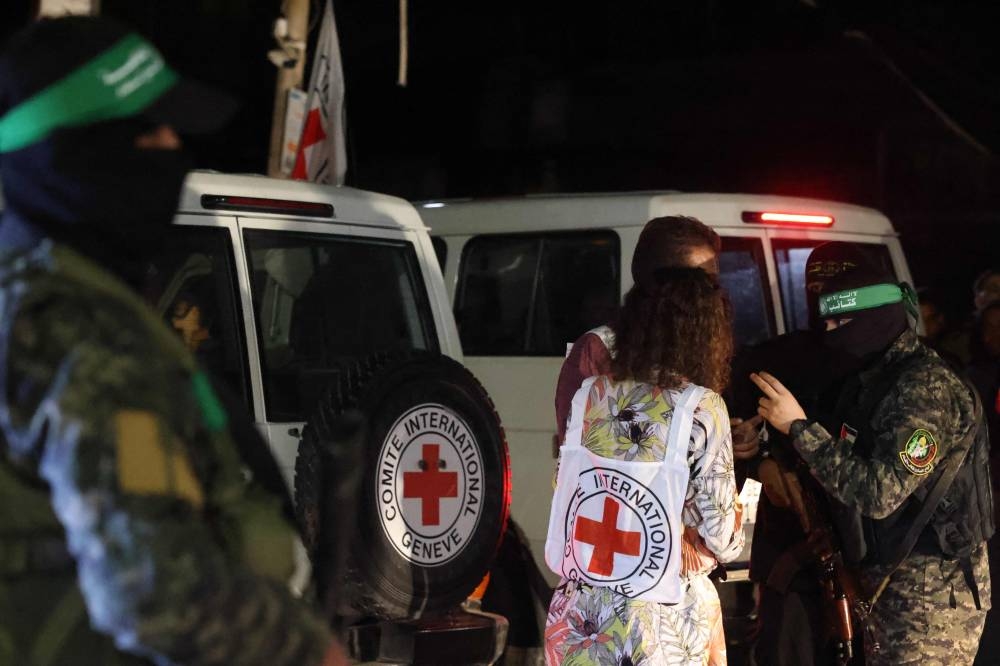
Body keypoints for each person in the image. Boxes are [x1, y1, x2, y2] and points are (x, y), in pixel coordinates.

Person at [0, 16, 344, 665]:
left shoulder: (27, 293)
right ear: (78, 155)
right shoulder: (82, 328)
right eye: (148, 131)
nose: (173, 147)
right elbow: (155, 591)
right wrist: (311, 654)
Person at [751, 257, 993, 665]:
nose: (828, 336)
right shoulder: (876, 379)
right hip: (892, 590)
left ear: (875, 319)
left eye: (839, 325)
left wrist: (798, 428)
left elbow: (879, 492)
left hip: (931, 602)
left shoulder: (925, 388)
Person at [544, 264, 745, 665]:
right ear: (705, 336)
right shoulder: (701, 408)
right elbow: (721, 534)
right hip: (660, 622)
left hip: (581, 613)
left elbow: (567, 485)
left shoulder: (589, 394)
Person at [729, 241, 875, 665]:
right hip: (791, 548)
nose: (824, 298)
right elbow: (737, 438)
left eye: (837, 285)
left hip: (866, 551)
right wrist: (760, 461)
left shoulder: (880, 364)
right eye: (816, 285)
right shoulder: (773, 359)